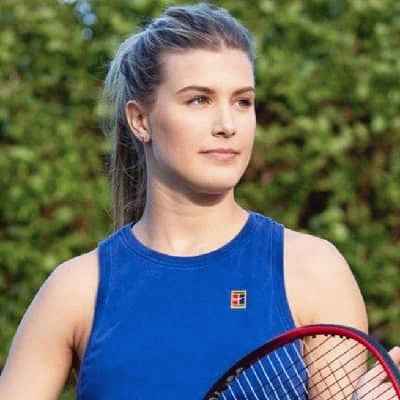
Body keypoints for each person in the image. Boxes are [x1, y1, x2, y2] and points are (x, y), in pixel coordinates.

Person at [0, 2, 399, 399]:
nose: (227, 125)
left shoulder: (313, 270)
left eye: (242, 101)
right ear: (140, 120)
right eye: (199, 100)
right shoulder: (75, 289)